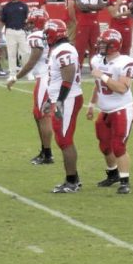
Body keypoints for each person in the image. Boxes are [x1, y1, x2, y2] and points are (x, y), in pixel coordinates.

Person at [88, 29, 133, 194]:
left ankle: (125, 181)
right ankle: (113, 174)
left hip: (122, 109)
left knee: (118, 146)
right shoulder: (96, 60)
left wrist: (103, 76)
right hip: (105, 109)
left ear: (113, 46)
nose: (100, 46)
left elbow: (122, 88)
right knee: (104, 145)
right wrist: (91, 104)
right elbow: (98, 85)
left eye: (104, 44)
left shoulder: (125, 62)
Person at [42, 19, 84, 193]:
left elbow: (68, 77)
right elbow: (56, 78)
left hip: (68, 99)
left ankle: (72, 181)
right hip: (62, 99)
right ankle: (73, 178)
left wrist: (59, 101)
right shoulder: (60, 49)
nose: (46, 37)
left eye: (47, 33)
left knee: (64, 140)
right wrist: (50, 100)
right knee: (63, 139)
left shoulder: (64, 50)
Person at [6, 8, 53, 164]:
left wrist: (16, 77)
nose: (29, 25)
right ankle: (44, 151)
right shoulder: (49, 34)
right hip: (48, 76)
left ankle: (47, 154)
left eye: (32, 22)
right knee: (37, 114)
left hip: (45, 78)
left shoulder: (36, 36)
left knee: (43, 116)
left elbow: (32, 61)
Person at [0, 0, 29, 79]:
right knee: (11, 54)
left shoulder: (24, 6)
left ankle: (27, 72)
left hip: (21, 31)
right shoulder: (6, 7)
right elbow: (2, 21)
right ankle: (12, 74)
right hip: (10, 31)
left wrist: (28, 29)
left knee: (25, 53)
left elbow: (27, 19)